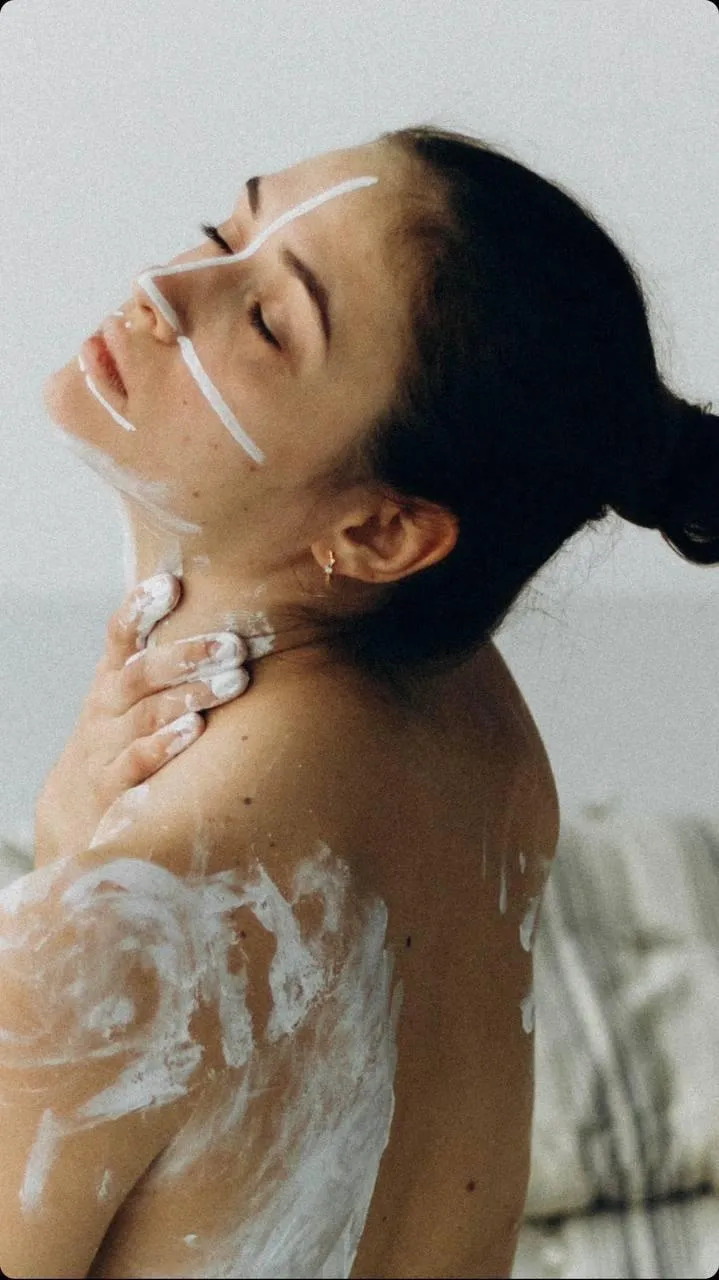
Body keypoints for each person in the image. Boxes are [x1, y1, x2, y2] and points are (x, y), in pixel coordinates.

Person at [3, 123, 716, 1280]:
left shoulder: (117, 921)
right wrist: (70, 846)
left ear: (382, 532)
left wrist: (69, 880)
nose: (162, 291)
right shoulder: (478, 724)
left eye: (269, 321)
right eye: (220, 232)